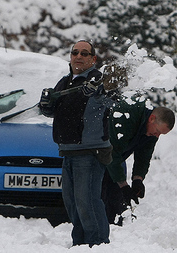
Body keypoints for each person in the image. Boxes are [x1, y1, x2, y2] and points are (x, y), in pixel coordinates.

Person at [39, 40, 113, 247]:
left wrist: (99, 91)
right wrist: (46, 106)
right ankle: (80, 244)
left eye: (84, 53)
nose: (78, 56)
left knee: (87, 201)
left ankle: (97, 244)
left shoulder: (100, 81)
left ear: (93, 59)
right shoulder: (64, 82)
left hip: (89, 152)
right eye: (75, 53)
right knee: (72, 203)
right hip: (68, 152)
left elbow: (113, 102)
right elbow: (55, 110)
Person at [102, 95, 175, 225]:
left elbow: (144, 156)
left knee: (115, 198)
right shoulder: (127, 115)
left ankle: (113, 229)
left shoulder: (151, 130)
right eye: (157, 131)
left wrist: (138, 179)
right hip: (96, 154)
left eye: (160, 134)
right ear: (152, 118)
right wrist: (124, 186)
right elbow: (113, 152)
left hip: (113, 159)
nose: (156, 136)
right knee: (101, 195)